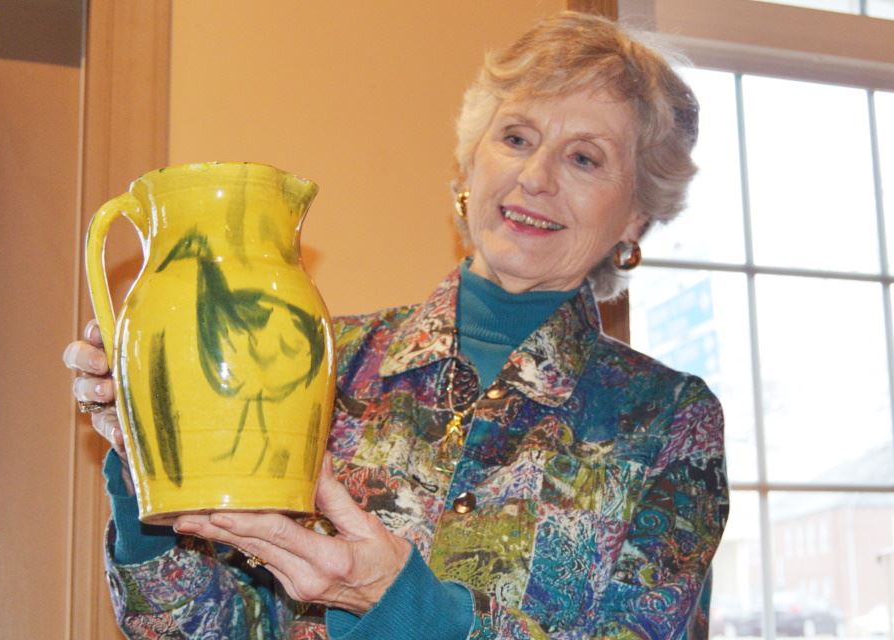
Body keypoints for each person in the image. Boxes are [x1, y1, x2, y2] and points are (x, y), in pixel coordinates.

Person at [64, 11, 729, 639]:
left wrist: (396, 604)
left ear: (636, 214)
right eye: (517, 138)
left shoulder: (669, 420)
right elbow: (203, 630)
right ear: (469, 166)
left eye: (584, 158)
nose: (535, 177)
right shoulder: (323, 361)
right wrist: (148, 469)